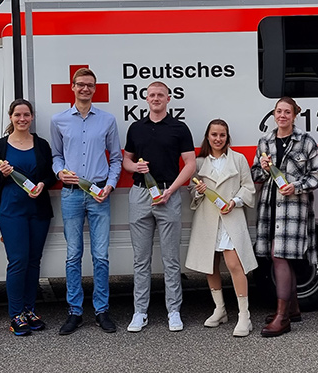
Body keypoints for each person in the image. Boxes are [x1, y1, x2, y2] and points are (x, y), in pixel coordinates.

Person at [51, 68, 122, 335]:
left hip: (99, 193)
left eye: (89, 85)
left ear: (95, 89)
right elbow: (56, 156)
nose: (85, 89)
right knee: (73, 255)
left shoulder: (107, 120)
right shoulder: (59, 120)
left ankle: (102, 310)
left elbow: (116, 158)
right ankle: (74, 312)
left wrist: (111, 186)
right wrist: (59, 172)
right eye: (80, 84)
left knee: (101, 256)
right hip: (71, 195)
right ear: (72, 87)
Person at [122, 81, 196, 332]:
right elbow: (126, 160)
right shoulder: (136, 128)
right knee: (140, 260)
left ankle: (173, 311)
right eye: (152, 95)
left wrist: (172, 190)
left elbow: (189, 164)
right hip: (140, 195)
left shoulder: (179, 128)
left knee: (171, 259)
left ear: (168, 98)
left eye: (160, 95)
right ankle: (139, 312)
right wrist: (135, 168)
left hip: (168, 194)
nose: (156, 98)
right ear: (146, 99)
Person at [0, 99, 57, 336]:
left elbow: (50, 175)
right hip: (11, 210)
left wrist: (43, 184)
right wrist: (2, 174)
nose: (22, 119)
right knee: (18, 261)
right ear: (11, 117)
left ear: (32, 117)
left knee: (34, 260)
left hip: (38, 210)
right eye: (18, 115)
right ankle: (16, 314)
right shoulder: (0, 146)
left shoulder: (41, 144)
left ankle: (30, 310)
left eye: (26, 115)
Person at [251, 97, 318, 337]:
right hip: (270, 206)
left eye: (287, 112)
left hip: (293, 208)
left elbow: (316, 176)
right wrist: (261, 165)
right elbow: (256, 175)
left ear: (294, 115)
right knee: (280, 256)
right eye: (279, 111)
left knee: (280, 255)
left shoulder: (305, 141)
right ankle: (293, 308)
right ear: (274, 114)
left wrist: (297, 187)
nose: (282, 115)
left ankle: (282, 317)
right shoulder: (265, 141)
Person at [186, 119, 257, 337]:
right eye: (214, 135)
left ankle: (244, 315)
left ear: (227, 137)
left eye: (222, 135)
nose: (218, 139)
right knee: (210, 265)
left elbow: (249, 187)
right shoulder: (199, 163)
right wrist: (198, 190)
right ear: (208, 136)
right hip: (208, 220)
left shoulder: (238, 159)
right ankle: (220, 309)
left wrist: (234, 202)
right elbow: (192, 194)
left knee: (234, 263)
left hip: (231, 217)